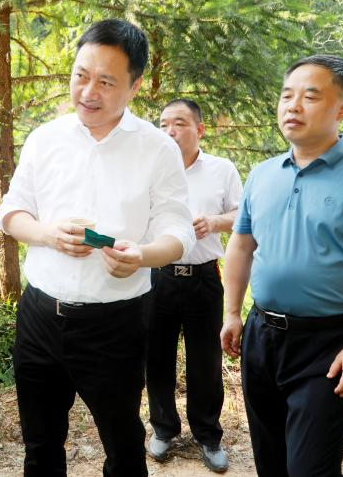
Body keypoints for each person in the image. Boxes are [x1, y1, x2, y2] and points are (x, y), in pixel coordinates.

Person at [0, 18, 196, 477]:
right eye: (80, 76)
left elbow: (178, 231)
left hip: (116, 323)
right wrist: (47, 234)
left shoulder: (157, 148)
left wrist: (142, 256)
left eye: (106, 82)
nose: (88, 92)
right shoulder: (46, 138)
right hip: (40, 315)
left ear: (135, 86)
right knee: (40, 443)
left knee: (122, 444)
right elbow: (12, 212)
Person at [220, 55, 343, 476]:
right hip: (261, 335)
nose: (293, 106)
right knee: (270, 460)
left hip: (329, 343)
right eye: (287, 95)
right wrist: (232, 312)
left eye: (310, 96)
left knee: (310, 468)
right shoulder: (263, 174)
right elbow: (241, 245)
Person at [145, 99, 242, 472]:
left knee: (206, 361)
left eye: (179, 123)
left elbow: (242, 216)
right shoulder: (150, 169)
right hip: (159, 276)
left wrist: (215, 222)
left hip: (204, 277)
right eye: (163, 124)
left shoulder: (221, 169)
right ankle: (163, 429)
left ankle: (207, 435)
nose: (169, 131)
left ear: (199, 129)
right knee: (157, 358)